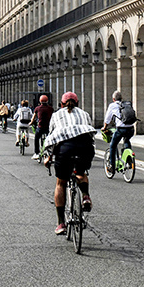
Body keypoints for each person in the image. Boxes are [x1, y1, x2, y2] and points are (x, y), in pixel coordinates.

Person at [43, 92, 97, 235]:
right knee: (80, 173)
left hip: (65, 148)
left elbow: (52, 136)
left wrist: (47, 156)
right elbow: (90, 131)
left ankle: (61, 223)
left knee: (61, 183)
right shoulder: (84, 114)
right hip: (85, 146)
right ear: (77, 103)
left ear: (61, 104)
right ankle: (85, 196)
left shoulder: (56, 115)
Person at [101, 91, 135, 172]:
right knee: (126, 140)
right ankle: (129, 160)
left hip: (121, 129)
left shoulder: (112, 105)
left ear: (113, 99)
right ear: (121, 98)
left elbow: (107, 118)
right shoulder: (127, 104)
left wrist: (104, 127)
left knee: (113, 145)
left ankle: (112, 166)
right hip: (131, 128)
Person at [31, 95, 54, 160]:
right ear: (47, 101)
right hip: (48, 127)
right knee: (50, 138)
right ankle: (50, 152)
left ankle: (36, 153)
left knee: (36, 138)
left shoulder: (37, 108)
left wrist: (31, 123)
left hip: (40, 127)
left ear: (40, 101)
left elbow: (33, 118)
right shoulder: (51, 108)